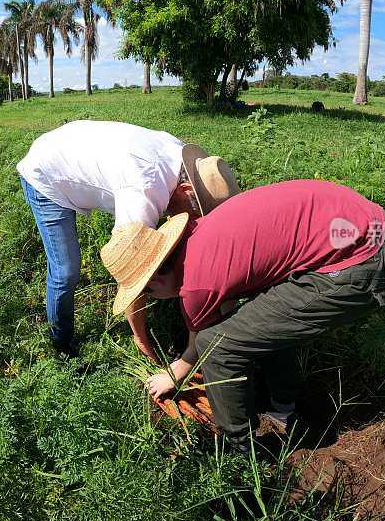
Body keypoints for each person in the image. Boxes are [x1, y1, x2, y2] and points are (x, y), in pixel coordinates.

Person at [100, 180, 385, 448]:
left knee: (217, 347)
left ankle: (239, 449)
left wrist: (173, 373)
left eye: (147, 292)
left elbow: (203, 346)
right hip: (367, 225)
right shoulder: (201, 232)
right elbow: (235, 311)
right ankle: (283, 409)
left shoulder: (196, 283)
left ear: (153, 280)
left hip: (363, 263)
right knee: (260, 320)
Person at [17, 120, 239, 358]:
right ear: (186, 189)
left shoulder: (180, 160)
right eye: (196, 211)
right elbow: (132, 275)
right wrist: (141, 338)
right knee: (66, 270)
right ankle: (61, 345)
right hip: (46, 173)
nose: (192, 219)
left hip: (73, 147)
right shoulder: (143, 192)